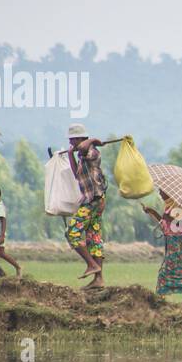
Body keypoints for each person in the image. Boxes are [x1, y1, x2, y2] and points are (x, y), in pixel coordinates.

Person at [64, 123, 107, 289]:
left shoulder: (91, 151)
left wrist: (93, 140)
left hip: (93, 201)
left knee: (72, 233)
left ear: (82, 138)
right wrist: (69, 154)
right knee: (93, 238)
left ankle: (92, 264)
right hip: (92, 200)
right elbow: (76, 174)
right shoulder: (81, 156)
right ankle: (99, 279)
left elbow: (83, 148)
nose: (71, 142)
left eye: (73, 139)